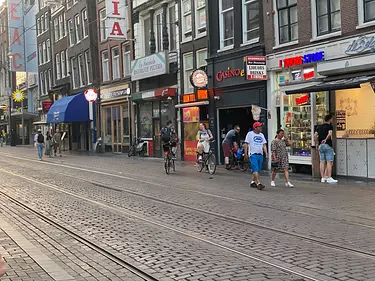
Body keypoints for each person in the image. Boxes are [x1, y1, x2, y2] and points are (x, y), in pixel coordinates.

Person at [244, 122, 268, 190]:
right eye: (259, 127)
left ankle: (252, 182)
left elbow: (264, 145)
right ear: (255, 128)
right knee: (255, 168)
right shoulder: (250, 134)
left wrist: (266, 153)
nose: (260, 128)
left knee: (257, 170)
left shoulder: (261, 135)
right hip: (253, 154)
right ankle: (258, 183)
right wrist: (245, 153)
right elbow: (246, 144)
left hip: (260, 154)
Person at [315, 114, 338, 184]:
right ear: (330, 119)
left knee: (322, 161)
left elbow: (315, 135)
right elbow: (330, 134)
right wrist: (325, 139)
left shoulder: (319, 127)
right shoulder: (329, 126)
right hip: (327, 145)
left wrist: (316, 143)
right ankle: (329, 177)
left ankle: (323, 177)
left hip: (320, 146)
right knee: (329, 161)